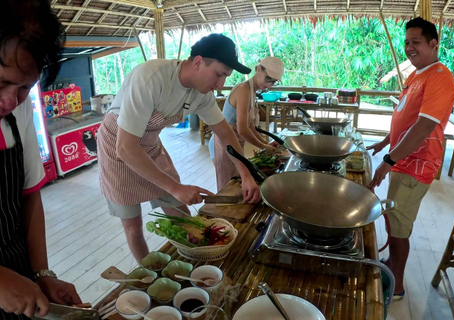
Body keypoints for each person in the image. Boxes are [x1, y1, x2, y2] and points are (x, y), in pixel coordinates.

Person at [97, 33, 262, 264]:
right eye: (219, 74)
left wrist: (246, 174)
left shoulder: (202, 94)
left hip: (150, 144)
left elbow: (225, 132)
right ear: (198, 61)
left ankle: (192, 262)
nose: (220, 84)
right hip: (117, 146)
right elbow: (126, 148)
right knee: (133, 225)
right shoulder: (151, 77)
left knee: (181, 213)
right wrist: (176, 187)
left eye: (225, 77)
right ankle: (152, 276)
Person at [0, 1, 82, 319]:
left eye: (25, 88)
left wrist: (41, 275)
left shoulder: (18, 109)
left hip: (21, 276)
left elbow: (30, 196)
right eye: (3, 82)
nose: (11, 100)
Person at [367, 17, 454, 299]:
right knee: (394, 220)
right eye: (406, 42)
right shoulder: (416, 75)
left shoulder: (441, 78)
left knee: (400, 227)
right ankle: (392, 265)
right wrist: (386, 141)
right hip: (403, 161)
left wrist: (388, 161)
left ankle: (398, 286)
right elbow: (404, 117)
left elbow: (423, 126)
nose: (409, 48)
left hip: (416, 165)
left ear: (433, 43)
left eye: (415, 42)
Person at [210, 57, 285, 189]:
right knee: (228, 186)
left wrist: (266, 144)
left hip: (235, 144)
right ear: (258, 69)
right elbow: (242, 129)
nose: (269, 85)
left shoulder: (252, 92)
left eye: (273, 82)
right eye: (268, 79)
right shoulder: (243, 90)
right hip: (224, 144)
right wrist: (262, 146)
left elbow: (250, 125)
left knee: (238, 182)